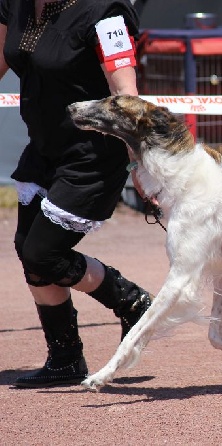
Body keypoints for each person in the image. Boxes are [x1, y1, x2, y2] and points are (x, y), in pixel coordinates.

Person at [0, 0, 153, 387]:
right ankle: (66, 358)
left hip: (92, 154)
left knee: (43, 252)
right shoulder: (13, 6)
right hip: (44, 148)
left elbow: (125, 91)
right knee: (28, 250)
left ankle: (132, 301)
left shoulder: (104, 12)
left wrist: (140, 163)